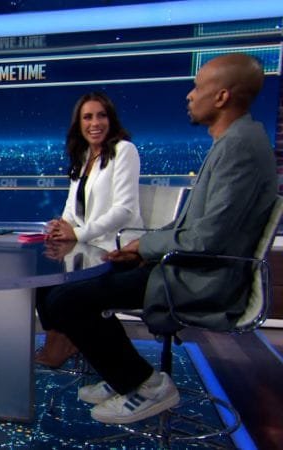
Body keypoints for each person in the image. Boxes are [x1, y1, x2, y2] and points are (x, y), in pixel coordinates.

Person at [41, 53, 277, 425]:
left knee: (69, 300)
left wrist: (145, 247)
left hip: (202, 277)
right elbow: (193, 225)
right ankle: (120, 374)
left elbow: (208, 238)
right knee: (59, 292)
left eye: (197, 87)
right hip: (187, 263)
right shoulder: (237, 140)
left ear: (221, 97)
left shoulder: (239, 148)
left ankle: (146, 385)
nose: (189, 95)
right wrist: (142, 249)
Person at [36, 92, 143, 368]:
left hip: (117, 251)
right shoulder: (84, 156)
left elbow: (124, 210)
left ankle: (65, 343)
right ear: (79, 124)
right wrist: (61, 225)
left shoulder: (124, 150)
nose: (95, 123)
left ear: (111, 119)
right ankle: (59, 340)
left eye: (101, 115)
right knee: (41, 277)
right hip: (89, 249)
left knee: (63, 294)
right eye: (87, 117)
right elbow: (72, 207)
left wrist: (77, 234)